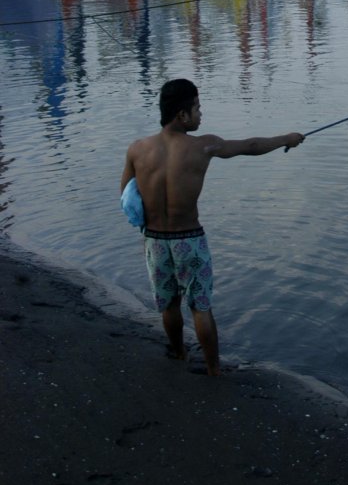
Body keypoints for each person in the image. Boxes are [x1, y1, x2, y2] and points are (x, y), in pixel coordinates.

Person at [120, 78, 304, 376]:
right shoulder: (202, 146)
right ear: (182, 114)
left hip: (154, 239)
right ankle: (213, 368)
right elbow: (250, 146)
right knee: (200, 306)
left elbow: (127, 197)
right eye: (197, 108)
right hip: (189, 239)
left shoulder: (137, 150)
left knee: (168, 303)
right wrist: (287, 138)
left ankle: (179, 352)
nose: (201, 114)